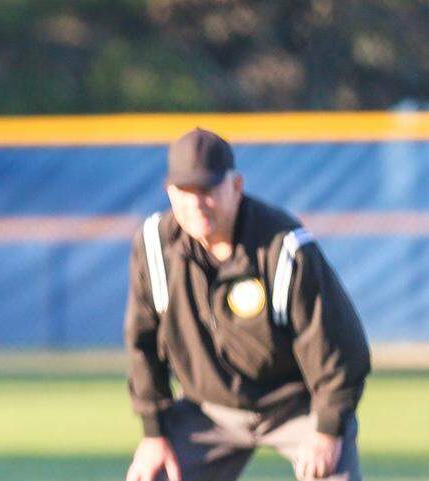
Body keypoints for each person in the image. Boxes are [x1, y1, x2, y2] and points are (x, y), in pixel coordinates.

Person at [124, 128, 370, 481]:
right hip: (208, 412)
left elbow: (341, 349)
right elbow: (142, 344)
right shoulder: (154, 247)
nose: (195, 203)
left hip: (295, 408)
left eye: (207, 190)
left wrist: (327, 430)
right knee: (154, 474)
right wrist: (153, 433)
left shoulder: (284, 248)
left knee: (330, 475)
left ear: (236, 186)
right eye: (184, 191)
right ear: (169, 192)